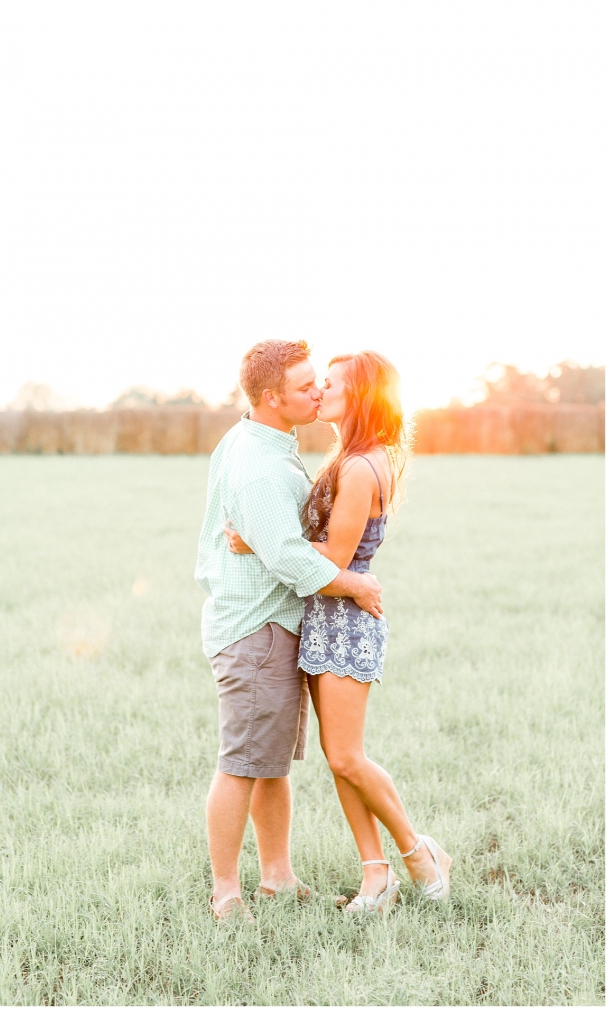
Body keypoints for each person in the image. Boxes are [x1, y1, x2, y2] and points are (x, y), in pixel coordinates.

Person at [226, 351, 452, 912]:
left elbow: (332, 557)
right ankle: (374, 874)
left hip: (345, 621)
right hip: (325, 619)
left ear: (362, 399)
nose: (321, 390)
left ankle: (418, 852)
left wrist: (258, 540)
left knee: (348, 757)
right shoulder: (348, 457)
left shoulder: (357, 467)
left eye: (334, 384)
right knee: (339, 756)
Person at [195, 339, 384, 923]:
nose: (319, 391)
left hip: (273, 627)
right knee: (241, 763)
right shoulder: (259, 465)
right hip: (258, 631)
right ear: (272, 397)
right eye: (306, 386)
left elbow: (276, 540)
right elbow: (292, 558)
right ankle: (227, 894)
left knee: (269, 763)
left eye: (319, 382)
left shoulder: (263, 441)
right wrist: (357, 585)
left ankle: (277, 879)